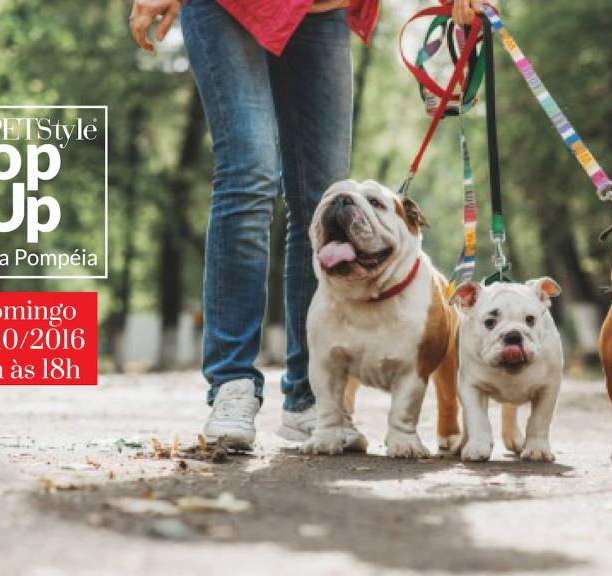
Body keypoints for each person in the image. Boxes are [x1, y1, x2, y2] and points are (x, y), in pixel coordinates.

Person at [128, 0, 485, 450]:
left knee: (323, 201)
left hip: (320, 10)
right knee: (249, 173)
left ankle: (307, 399)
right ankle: (233, 383)